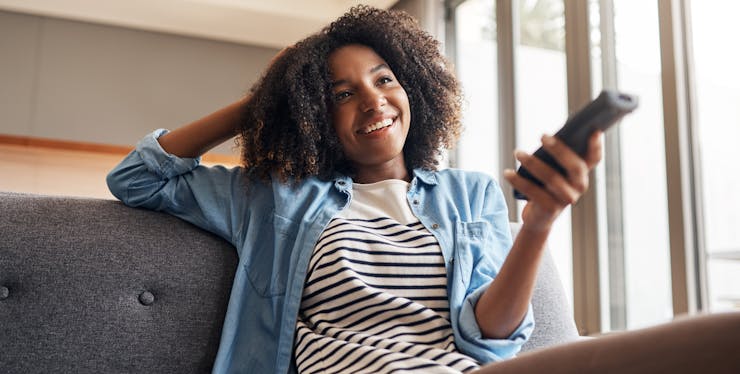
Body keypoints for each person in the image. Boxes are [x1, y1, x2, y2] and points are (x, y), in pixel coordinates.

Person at [107, 5, 740, 374]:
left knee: (716, 341)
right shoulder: (274, 196)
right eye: (341, 94)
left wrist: (541, 221)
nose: (375, 101)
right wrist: (262, 106)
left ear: (413, 90)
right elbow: (137, 177)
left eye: (385, 79)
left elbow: (488, 334)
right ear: (313, 115)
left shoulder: (472, 196)